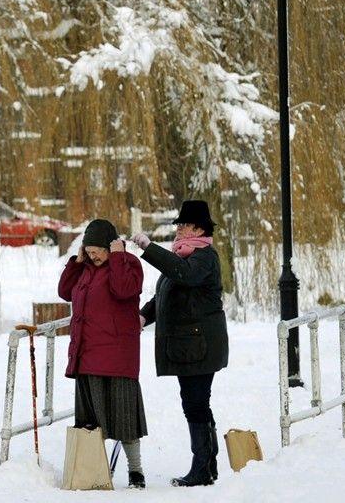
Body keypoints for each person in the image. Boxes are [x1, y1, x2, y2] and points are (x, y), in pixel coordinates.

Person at [132, 200, 227, 488]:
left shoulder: (202, 257)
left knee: (195, 404)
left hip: (200, 344)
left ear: (198, 228)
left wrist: (149, 249)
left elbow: (183, 275)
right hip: (190, 344)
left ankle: (201, 469)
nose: (178, 229)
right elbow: (165, 293)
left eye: (183, 225)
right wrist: (143, 317)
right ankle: (207, 465)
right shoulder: (184, 255)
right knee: (197, 404)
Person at [58, 219, 148, 489]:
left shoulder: (128, 265)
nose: (94, 255)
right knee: (89, 422)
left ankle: (136, 472)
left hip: (118, 357)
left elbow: (123, 290)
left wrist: (120, 256)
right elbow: (64, 292)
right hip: (87, 356)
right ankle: (92, 471)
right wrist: (76, 261)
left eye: (98, 250)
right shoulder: (84, 269)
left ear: (112, 247)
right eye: (90, 249)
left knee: (125, 419)